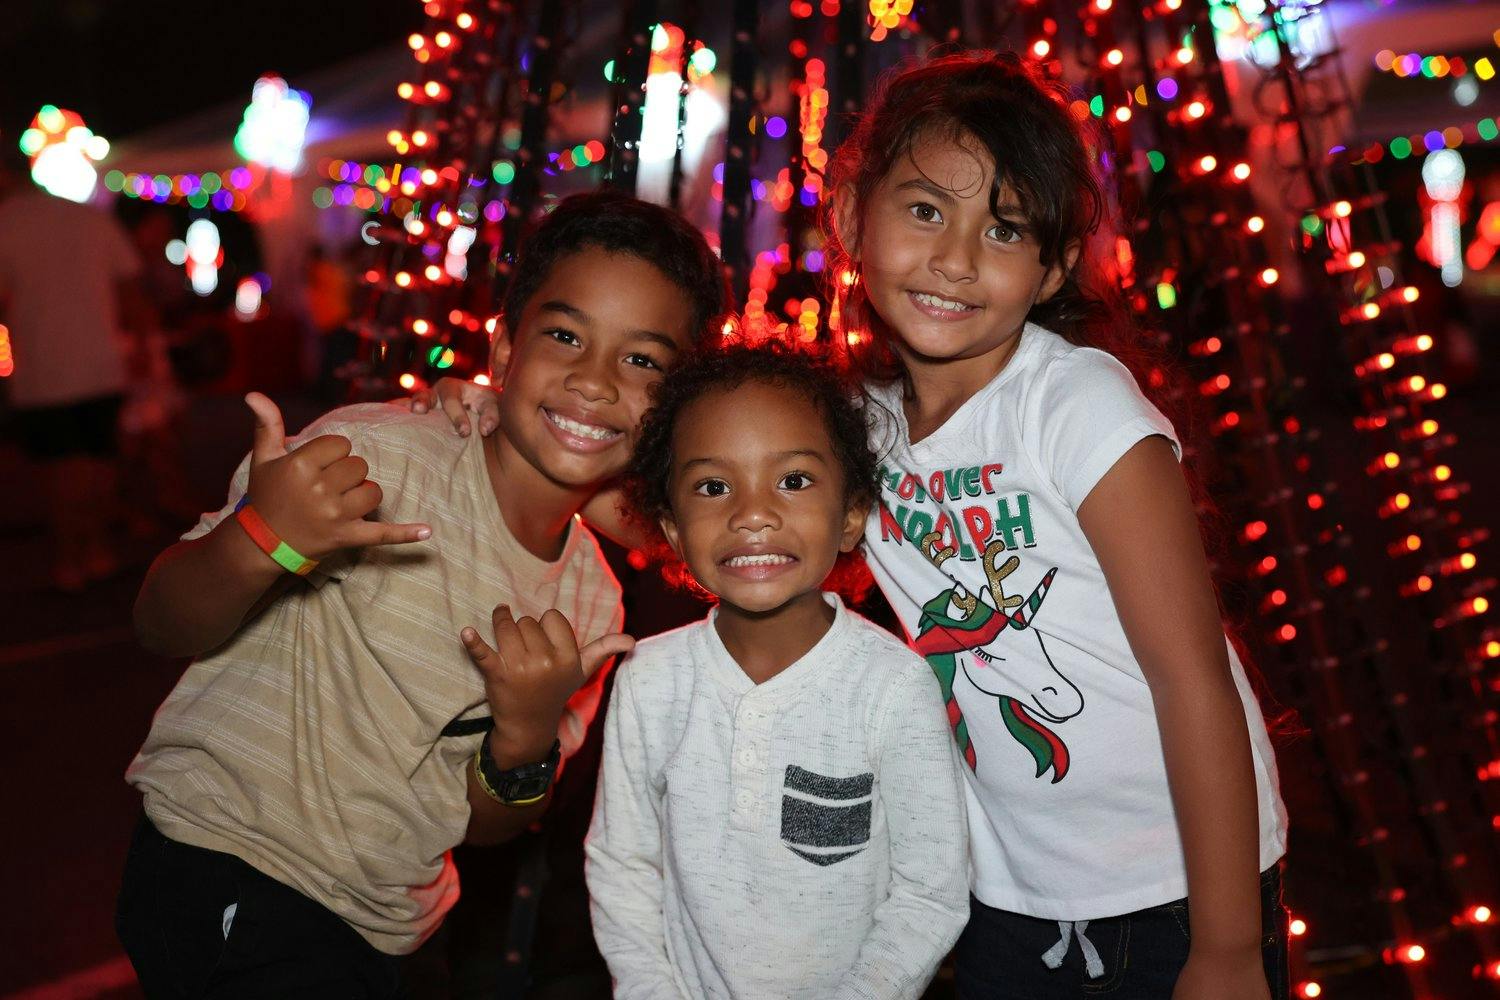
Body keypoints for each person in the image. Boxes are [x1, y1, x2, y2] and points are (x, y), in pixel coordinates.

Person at [427, 52, 1290, 1000]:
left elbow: (1191, 676)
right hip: (1009, 891)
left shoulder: (1075, 404)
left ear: (1052, 268)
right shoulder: (859, 428)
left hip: (1178, 887)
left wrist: (1227, 948)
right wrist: (507, 425)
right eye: (925, 210)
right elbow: (709, 523)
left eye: (1005, 229)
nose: (957, 259)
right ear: (848, 218)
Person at [117, 190, 728, 996]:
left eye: (642, 360)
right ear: (503, 352)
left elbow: (486, 824)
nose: (594, 379)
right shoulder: (372, 461)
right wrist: (266, 536)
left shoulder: (592, 605)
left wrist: (524, 737)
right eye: (565, 336)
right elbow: (160, 621)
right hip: (242, 865)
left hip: (396, 924)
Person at [585, 344, 969, 998]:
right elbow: (623, 867)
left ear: (851, 516)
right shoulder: (650, 679)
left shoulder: (892, 686)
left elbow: (929, 895)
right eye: (714, 487)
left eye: (793, 480)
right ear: (673, 530)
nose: (752, 514)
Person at [0, 142, 147, 590]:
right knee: (98, 461)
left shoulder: (6, 225)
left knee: (60, 468)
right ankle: (97, 550)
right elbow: (130, 289)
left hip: (42, 371)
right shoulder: (87, 218)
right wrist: (142, 346)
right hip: (101, 364)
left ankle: (70, 557)